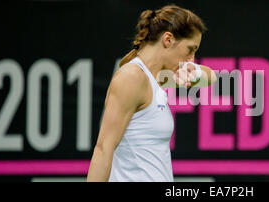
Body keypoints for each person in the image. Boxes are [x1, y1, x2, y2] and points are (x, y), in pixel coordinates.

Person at [86, 4, 216, 182]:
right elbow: (103, 149)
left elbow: (212, 77)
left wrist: (194, 71)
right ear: (168, 39)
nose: (191, 58)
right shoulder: (132, 77)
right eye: (190, 49)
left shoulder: (157, 78)